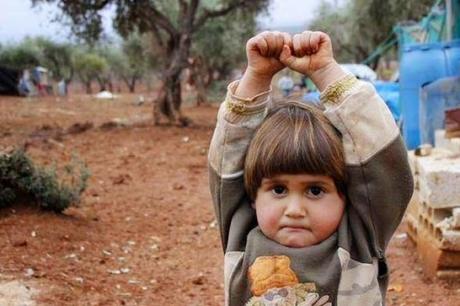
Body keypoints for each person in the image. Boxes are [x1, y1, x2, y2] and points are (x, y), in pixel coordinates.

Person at [208, 31, 413, 306]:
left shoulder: (359, 238)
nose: (294, 210)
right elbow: (228, 158)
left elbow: (383, 160)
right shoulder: (242, 235)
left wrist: (326, 71)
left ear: (346, 195)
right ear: (253, 197)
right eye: (278, 189)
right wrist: (256, 78)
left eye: (315, 190)